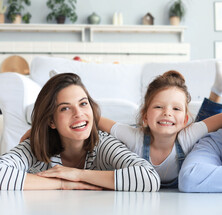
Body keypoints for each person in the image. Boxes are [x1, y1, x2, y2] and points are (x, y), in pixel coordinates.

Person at [0, 73, 160, 191]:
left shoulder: (103, 144)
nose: (78, 114)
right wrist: (62, 183)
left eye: (83, 104)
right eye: (65, 108)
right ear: (51, 121)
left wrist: (78, 174)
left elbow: (149, 178)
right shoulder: (33, 147)